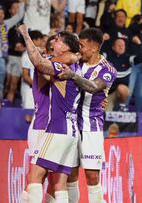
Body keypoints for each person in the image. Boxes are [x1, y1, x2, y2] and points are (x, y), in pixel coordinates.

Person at [18, 24, 81, 203]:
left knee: (36, 176)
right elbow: (43, 65)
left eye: (59, 41)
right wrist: (74, 55)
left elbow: (39, 62)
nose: (56, 43)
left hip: (56, 128)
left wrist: (26, 35)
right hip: (65, 130)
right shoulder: (75, 67)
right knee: (57, 183)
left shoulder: (62, 66)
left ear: (66, 48)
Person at [57, 28, 117, 203]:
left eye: (82, 45)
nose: (79, 49)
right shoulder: (76, 63)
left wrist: (73, 76)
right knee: (71, 176)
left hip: (91, 128)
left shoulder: (107, 69)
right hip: (71, 126)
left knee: (92, 177)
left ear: (94, 47)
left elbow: (93, 86)